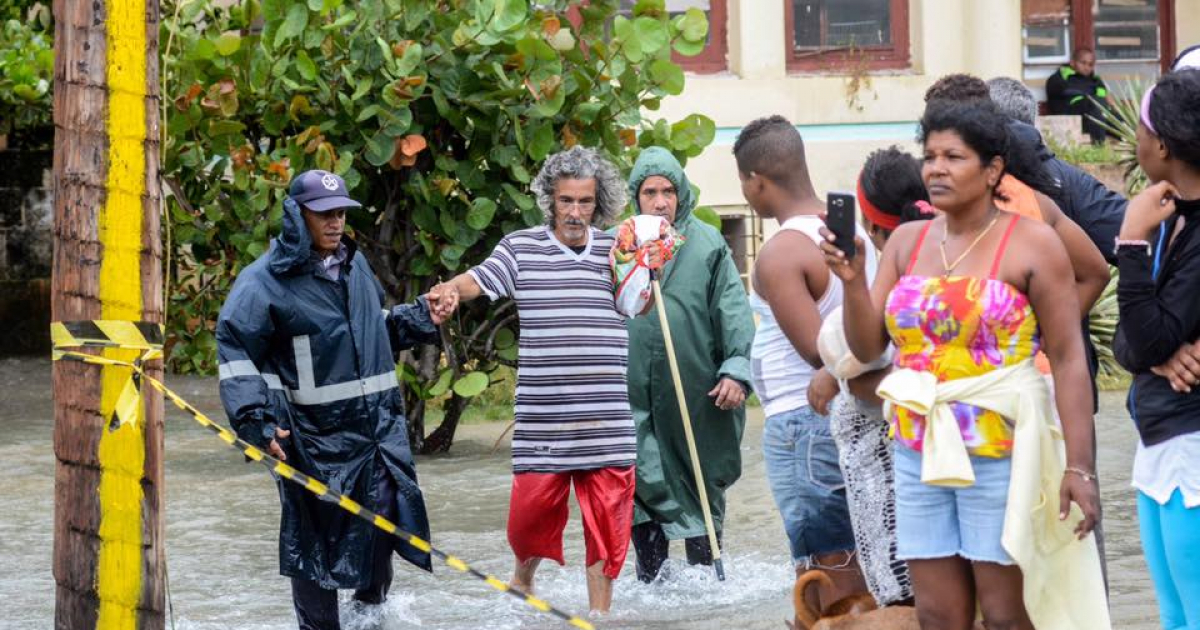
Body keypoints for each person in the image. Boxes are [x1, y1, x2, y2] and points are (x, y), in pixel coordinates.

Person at [823, 100, 1107, 630]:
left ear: (993, 168)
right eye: (929, 155)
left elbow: (1068, 361)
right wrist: (854, 281)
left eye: (953, 156)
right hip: (917, 447)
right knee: (938, 614)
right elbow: (865, 347)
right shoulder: (907, 242)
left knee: (1004, 613)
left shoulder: (1034, 244)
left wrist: (1080, 468)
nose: (936, 168)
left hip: (1002, 450)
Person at [425, 146, 659, 614]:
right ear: (550, 200)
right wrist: (451, 289)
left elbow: (640, 306)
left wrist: (647, 272)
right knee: (528, 525)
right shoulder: (521, 248)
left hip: (606, 421)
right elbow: (481, 278)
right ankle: (523, 581)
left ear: (600, 203)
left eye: (585, 202)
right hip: (543, 422)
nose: (575, 212)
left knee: (608, 531)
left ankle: (599, 617)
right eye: (566, 201)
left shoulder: (620, 248)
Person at [216, 170, 443, 630]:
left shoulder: (356, 266)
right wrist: (254, 422)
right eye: (324, 213)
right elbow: (236, 350)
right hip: (309, 440)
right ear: (297, 216)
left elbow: (372, 330)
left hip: (375, 436)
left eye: (340, 212)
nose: (335, 222)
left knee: (382, 525)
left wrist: (421, 318)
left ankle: (370, 617)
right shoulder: (263, 282)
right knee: (313, 541)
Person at [734, 115, 874, 608]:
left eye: (745, 184)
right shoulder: (853, 233)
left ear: (757, 181)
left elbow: (818, 351)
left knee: (823, 565)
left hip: (804, 421)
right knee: (859, 550)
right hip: (855, 413)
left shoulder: (781, 252)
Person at [623, 147, 756, 583]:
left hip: (697, 395)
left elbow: (733, 311)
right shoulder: (616, 245)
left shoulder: (708, 243)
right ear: (635, 196)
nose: (660, 201)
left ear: (680, 193)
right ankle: (653, 598)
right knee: (643, 488)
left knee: (700, 486)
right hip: (634, 398)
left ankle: (708, 594)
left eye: (667, 191)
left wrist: (736, 368)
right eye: (649, 192)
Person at [808, 146, 934, 606]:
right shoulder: (909, 255)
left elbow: (877, 363)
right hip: (912, 456)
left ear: (871, 219)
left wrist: (841, 377)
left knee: (908, 595)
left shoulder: (903, 261)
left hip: (899, 457)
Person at [1112, 68, 1200, 630]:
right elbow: (1131, 343)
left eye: (1141, 131)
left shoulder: (1170, 228)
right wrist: (1153, 351)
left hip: (1191, 444)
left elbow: (1143, 335)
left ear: (1162, 144)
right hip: (1160, 438)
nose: (1136, 143)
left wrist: (1128, 241)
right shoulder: (1170, 217)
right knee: (1172, 614)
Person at [1046, 47, 1115, 144]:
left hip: (1094, 114)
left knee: (1116, 115)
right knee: (1093, 104)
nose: (1087, 67)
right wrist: (1089, 96)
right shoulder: (1059, 78)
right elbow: (1064, 93)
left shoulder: (1096, 80)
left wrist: (1110, 104)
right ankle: (1099, 146)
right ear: (1072, 62)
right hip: (1071, 113)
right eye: (1083, 63)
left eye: (1090, 64)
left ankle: (1130, 142)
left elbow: (1104, 97)